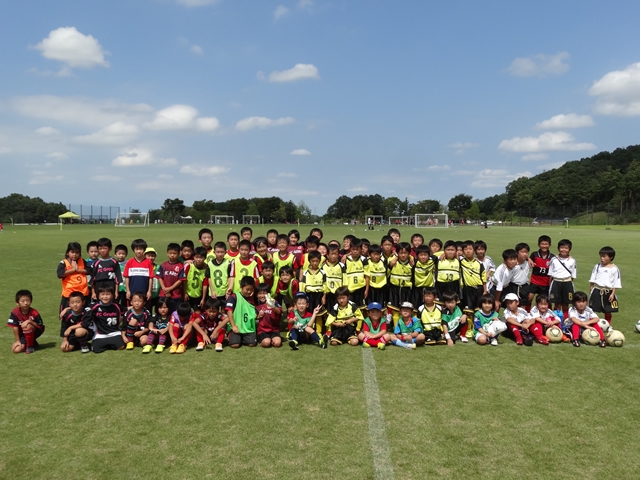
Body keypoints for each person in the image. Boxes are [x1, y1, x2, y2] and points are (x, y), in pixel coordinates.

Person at [81, 284, 124, 354]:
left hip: (114, 333)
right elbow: (81, 309)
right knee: (96, 349)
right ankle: (106, 343)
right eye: (102, 294)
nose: (105, 297)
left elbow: (126, 309)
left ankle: (110, 343)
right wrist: (68, 308)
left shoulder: (116, 305)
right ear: (99, 296)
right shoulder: (93, 306)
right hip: (100, 334)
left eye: (108, 294)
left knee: (121, 346)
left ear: (112, 295)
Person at [459, 240, 487, 337]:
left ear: (474, 250)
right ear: (462, 251)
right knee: (468, 311)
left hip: (478, 289)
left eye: (470, 249)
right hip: (467, 289)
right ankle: (469, 329)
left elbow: (483, 277)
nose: (468, 251)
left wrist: (485, 290)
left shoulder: (479, 263)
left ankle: (478, 327)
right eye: (465, 249)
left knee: (478, 310)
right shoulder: (460, 262)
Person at [588, 246, 621, 326]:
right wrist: (591, 289)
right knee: (593, 309)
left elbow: (616, 282)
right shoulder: (597, 266)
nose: (601, 258)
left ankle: (607, 325)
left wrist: (612, 294)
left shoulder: (615, 269)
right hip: (597, 290)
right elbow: (592, 279)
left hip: (608, 291)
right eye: (601, 256)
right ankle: (592, 324)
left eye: (604, 256)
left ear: (611, 257)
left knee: (608, 309)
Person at [8, 289, 45, 354]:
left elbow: (40, 326)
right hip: (22, 334)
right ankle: (32, 343)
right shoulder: (15, 312)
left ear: (31, 301)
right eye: (22, 301)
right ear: (17, 303)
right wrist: (17, 341)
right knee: (16, 350)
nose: (25, 303)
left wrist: (29, 321)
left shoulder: (34, 312)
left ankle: (30, 346)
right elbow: (15, 327)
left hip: (36, 330)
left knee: (27, 326)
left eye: (27, 300)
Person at [226, 276, 258, 348]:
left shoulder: (253, 299)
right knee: (235, 345)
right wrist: (233, 326)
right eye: (247, 289)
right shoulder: (234, 296)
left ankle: (242, 338)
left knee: (252, 344)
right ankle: (232, 336)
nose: (249, 291)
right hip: (236, 327)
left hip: (248, 328)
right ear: (241, 287)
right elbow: (229, 311)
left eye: (251, 289)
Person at [548, 239, 576, 321]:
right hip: (556, 282)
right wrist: (551, 285)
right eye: (562, 247)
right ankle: (556, 320)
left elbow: (573, 276)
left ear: (569, 249)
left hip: (567, 283)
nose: (564, 250)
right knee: (557, 304)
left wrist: (567, 282)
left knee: (566, 304)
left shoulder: (572, 260)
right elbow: (550, 274)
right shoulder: (554, 259)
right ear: (558, 248)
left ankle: (566, 321)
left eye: (566, 248)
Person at [57, 242, 89, 312]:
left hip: (83, 294)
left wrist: (78, 270)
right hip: (69, 295)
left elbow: (90, 270)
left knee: (84, 315)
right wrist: (73, 270)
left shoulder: (82, 261)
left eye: (77, 252)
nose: (74, 254)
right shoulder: (64, 262)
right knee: (67, 315)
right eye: (72, 252)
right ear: (68, 253)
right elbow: (60, 274)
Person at [299, 251, 326, 333]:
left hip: (318, 295)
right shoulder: (306, 273)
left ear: (319, 261)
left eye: (317, 261)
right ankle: (309, 330)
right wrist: (302, 297)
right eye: (313, 261)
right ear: (309, 261)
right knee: (309, 313)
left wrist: (324, 296)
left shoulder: (322, 272)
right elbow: (302, 285)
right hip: (308, 295)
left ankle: (318, 332)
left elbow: (325, 285)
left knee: (318, 314)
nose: (315, 263)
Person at [387, 242, 413, 325]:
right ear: (397, 253)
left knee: (405, 307)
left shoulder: (411, 263)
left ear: (409, 253)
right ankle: (395, 327)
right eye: (401, 253)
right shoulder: (393, 261)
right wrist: (395, 258)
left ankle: (405, 326)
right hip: (395, 288)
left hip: (406, 289)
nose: (403, 255)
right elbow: (389, 265)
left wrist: (411, 258)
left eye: (405, 253)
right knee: (395, 308)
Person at [91, 237, 123, 303]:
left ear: (110, 248)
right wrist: (93, 292)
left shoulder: (114, 262)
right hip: (98, 285)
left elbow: (117, 278)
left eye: (105, 248)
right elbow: (93, 279)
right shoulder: (96, 263)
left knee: (112, 304)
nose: (102, 250)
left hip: (111, 285)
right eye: (100, 248)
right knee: (99, 304)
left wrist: (116, 291)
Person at [157, 243, 185, 313]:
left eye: (175, 253)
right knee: (164, 313)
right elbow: (160, 278)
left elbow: (180, 280)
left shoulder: (181, 266)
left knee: (175, 313)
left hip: (176, 295)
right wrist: (164, 289)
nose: (172, 255)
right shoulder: (163, 265)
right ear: (167, 253)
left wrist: (170, 289)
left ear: (178, 254)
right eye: (170, 253)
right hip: (163, 294)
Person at [124, 238, 154, 303]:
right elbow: (127, 277)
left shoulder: (148, 262)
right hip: (132, 291)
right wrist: (128, 291)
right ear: (133, 250)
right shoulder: (130, 262)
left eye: (141, 249)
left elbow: (151, 278)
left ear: (144, 250)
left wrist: (149, 291)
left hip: (145, 292)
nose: (139, 251)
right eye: (137, 249)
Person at [527, 235, 554, 305]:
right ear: (538, 245)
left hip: (545, 283)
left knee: (545, 301)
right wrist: (528, 259)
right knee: (529, 298)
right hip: (534, 282)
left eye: (546, 244)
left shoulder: (552, 257)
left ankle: (547, 314)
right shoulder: (534, 255)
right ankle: (527, 314)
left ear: (550, 245)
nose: (544, 246)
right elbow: (526, 260)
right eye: (542, 244)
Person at [343, 238, 368, 310]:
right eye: (353, 249)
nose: (355, 251)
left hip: (360, 288)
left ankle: (360, 321)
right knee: (350, 308)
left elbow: (367, 276)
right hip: (349, 289)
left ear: (361, 249)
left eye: (357, 249)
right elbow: (344, 275)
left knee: (361, 308)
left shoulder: (364, 260)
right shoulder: (346, 260)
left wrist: (366, 290)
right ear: (350, 249)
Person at [256, 283, 283, 348]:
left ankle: (272, 340)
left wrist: (273, 306)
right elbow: (255, 317)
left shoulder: (274, 301)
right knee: (266, 343)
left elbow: (279, 312)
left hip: (274, 330)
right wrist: (259, 316)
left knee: (277, 343)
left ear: (268, 294)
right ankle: (264, 341)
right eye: (260, 293)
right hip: (263, 330)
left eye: (264, 293)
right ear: (257, 295)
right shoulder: (257, 305)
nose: (262, 296)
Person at [321, 244, 346, 317]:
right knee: (328, 311)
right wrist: (324, 296)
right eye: (332, 254)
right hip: (328, 294)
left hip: (339, 293)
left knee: (339, 310)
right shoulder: (323, 267)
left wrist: (344, 293)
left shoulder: (341, 266)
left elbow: (344, 280)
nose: (334, 256)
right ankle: (329, 327)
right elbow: (323, 282)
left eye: (336, 254)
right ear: (327, 255)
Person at [183, 247, 210, 312]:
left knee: (198, 312)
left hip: (198, 295)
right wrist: (185, 293)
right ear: (193, 257)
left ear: (205, 258)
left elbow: (205, 285)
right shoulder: (189, 266)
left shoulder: (206, 269)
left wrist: (203, 299)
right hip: (188, 294)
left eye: (201, 257)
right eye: (196, 257)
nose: (198, 259)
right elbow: (184, 280)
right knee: (186, 312)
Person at [511, 243, 531, 311]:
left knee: (523, 305)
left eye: (526, 252)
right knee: (512, 304)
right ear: (517, 252)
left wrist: (529, 259)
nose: (525, 254)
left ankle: (522, 320)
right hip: (513, 286)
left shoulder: (528, 263)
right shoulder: (513, 263)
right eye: (522, 252)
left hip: (524, 286)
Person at [114, 244, 128, 312]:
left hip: (125, 289)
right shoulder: (113, 263)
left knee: (124, 304)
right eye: (119, 253)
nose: (121, 255)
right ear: (115, 254)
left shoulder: (128, 263)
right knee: (115, 304)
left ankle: (124, 317)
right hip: (116, 288)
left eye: (123, 254)